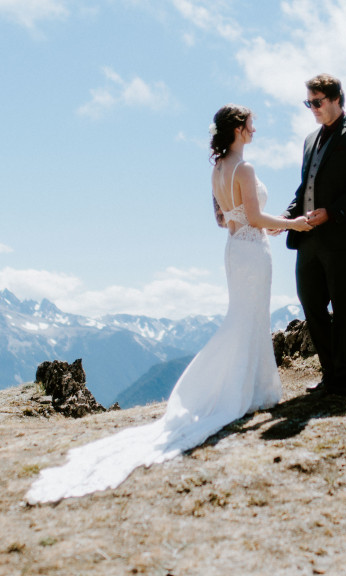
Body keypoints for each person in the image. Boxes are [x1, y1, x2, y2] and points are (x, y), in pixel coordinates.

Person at [26, 105, 311, 504]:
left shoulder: (217, 171)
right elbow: (253, 215)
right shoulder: (244, 170)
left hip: (233, 248)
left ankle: (245, 389)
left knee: (242, 319)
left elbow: (223, 219)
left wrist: (261, 222)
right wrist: (292, 223)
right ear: (238, 129)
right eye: (251, 124)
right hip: (253, 251)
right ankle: (244, 391)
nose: (255, 129)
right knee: (248, 321)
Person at [284, 74, 346, 402]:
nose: (312, 108)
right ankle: (329, 374)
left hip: (343, 236)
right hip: (309, 239)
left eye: (317, 102)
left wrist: (332, 212)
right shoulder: (310, 139)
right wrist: (286, 218)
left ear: (337, 98)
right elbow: (304, 188)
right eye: (308, 102)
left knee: (344, 307)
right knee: (311, 304)